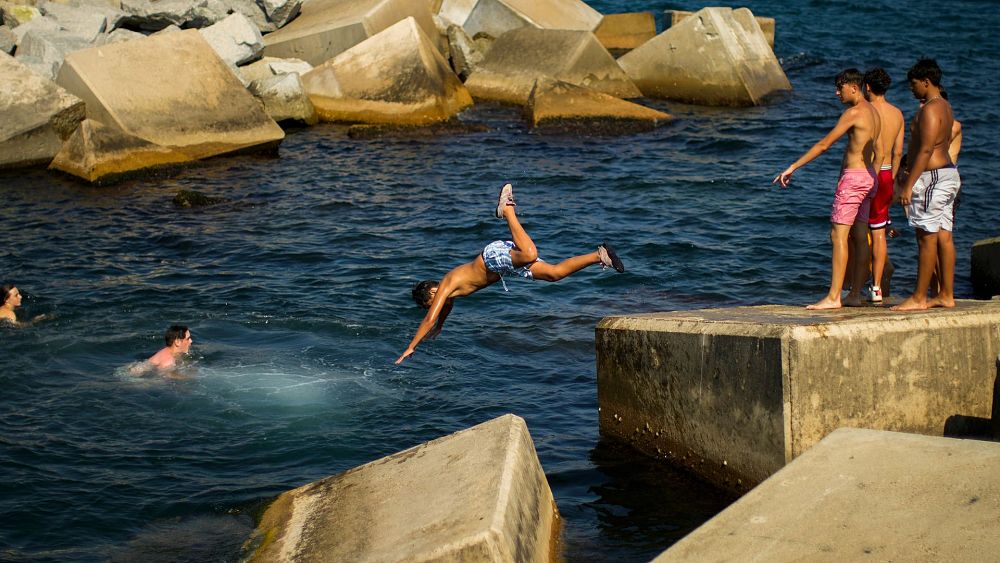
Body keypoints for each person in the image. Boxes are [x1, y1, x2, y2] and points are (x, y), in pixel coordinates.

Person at [396, 183, 625, 364]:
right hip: (503, 268)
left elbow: (429, 318)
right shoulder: (448, 296)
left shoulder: (446, 284)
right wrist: (441, 326)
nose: (434, 307)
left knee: (529, 253)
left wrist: (411, 346)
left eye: (430, 303)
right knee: (554, 274)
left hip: (492, 259)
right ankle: (599, 256)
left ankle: (507, 210)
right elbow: (444, 310)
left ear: (431, 292)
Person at [774, 68, 882, 309]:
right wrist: (873, 177)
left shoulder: (853, 113)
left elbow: (824, 144)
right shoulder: (874, 112)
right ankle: (854, 293)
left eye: (839, 88)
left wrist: (793, 166)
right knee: (860, 236)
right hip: (869, 178)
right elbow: (881, 149)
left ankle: (834, 297)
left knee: (838, 235)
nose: (836, 93)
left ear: (854, 87)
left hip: (854, 179)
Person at [892, 59, 960, 311]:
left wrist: (908, 185)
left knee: (926, 238)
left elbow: (926, 149)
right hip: (947, 175)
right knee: (944, 236)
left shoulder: (930, 109)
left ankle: (919, 297)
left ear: (926, 82)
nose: (911, 89)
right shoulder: (945, 105)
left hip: (933, 178)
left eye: (913, 84)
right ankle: (946, 295)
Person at [862, 67, 905, 304]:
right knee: (879, 234)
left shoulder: (865, 111)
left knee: (857, 232)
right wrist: (892, 179)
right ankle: (876, 287)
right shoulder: (897, 114)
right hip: (888, 174)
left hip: (868, 173)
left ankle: (855, 285)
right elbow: (898, 152)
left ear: (867, 87)